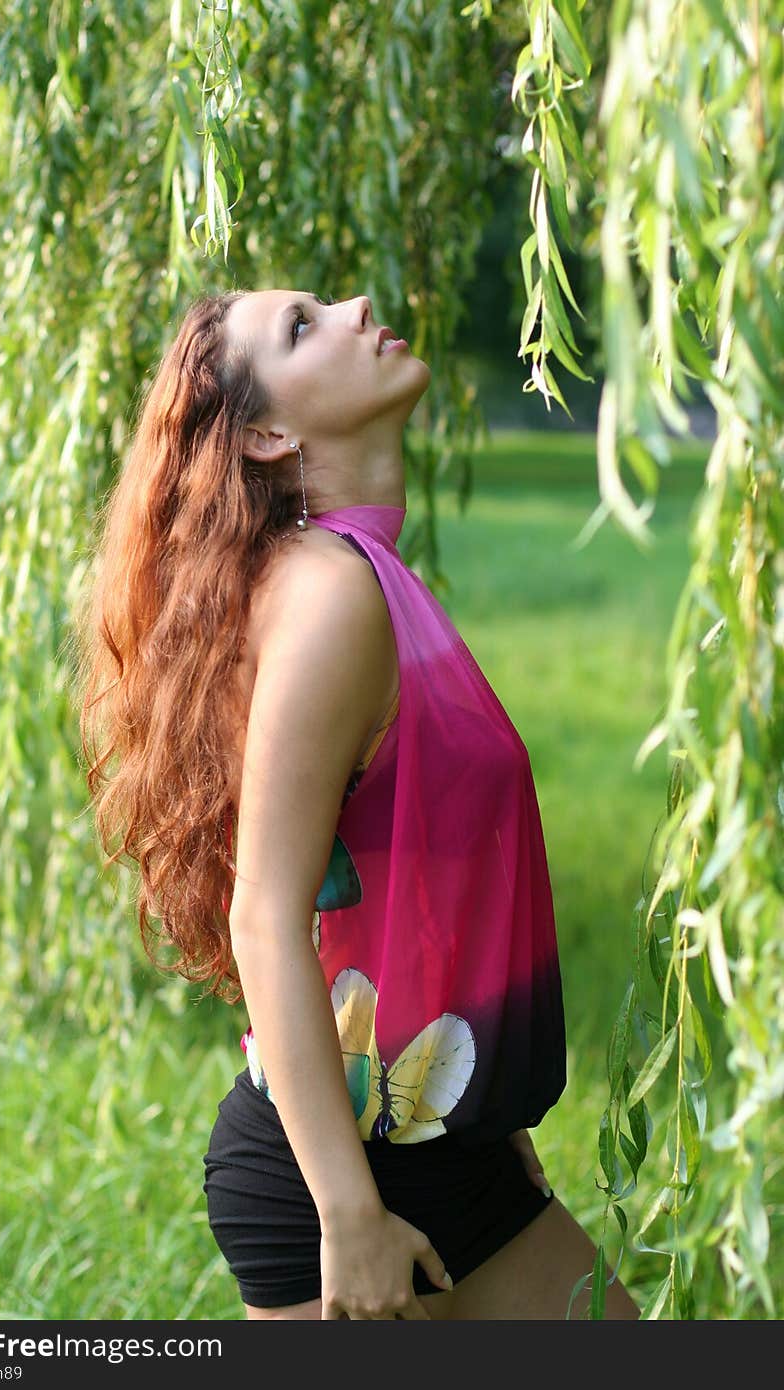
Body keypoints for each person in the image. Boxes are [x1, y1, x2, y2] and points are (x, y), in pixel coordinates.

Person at [78, 286, 641, 1321]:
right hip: (336, 1182)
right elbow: (263, 916)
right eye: (301, 326)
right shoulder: (330, 594)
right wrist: (348, 1216)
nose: (356, 304)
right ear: (267, 434)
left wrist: (492, 1124)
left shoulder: (357, 576)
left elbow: (399, 887)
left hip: (443, 1146)